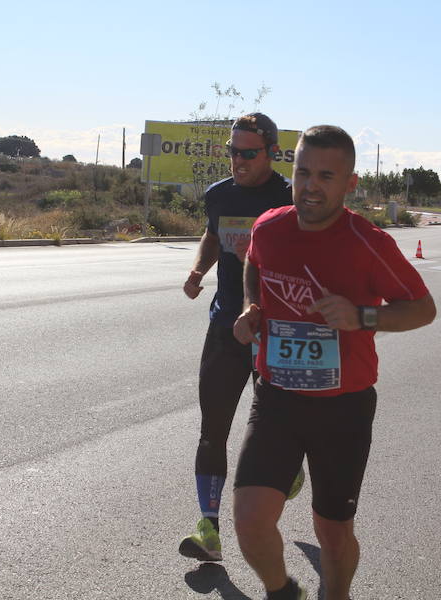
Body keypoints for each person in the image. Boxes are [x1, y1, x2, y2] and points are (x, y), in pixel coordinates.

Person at [232, 125, 436, 600]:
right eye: (303, 172)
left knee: (333, 533)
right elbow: (254, 263)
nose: (311, 185)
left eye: (326, 175)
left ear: (350, 184)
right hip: (276, 398)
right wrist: (252, 306)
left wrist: (362, 316)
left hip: (342, 409)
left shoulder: (369, 243)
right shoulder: (270, 227)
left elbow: (423, 309)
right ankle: (283, 592)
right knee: (248, 521)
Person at [179, 112, 302, 563]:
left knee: (278, 430)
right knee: (213, 429)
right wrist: (197, 270)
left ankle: (290, 469)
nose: (238, 160)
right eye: (232, 151)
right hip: (225, 324)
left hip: (278, 330)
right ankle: (209, 528)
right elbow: (212, 237)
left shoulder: (291, 196)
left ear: (271, 151)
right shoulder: (218, 195)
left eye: (248, 152)